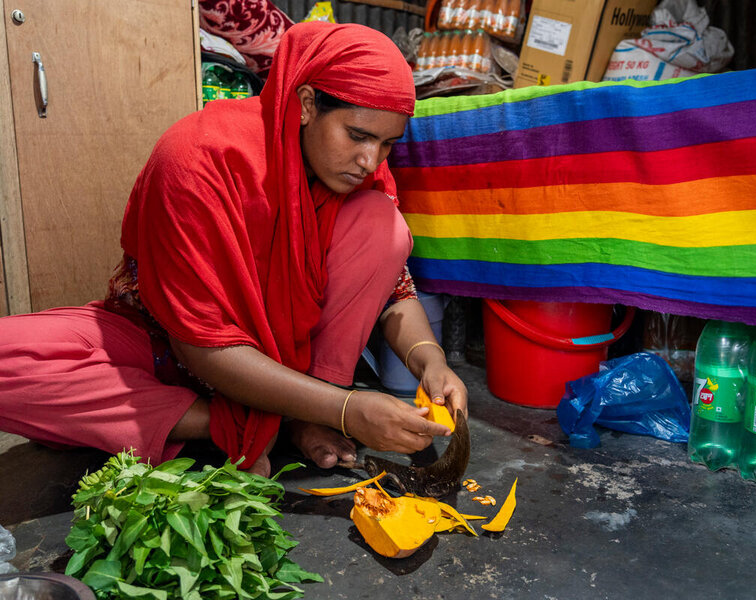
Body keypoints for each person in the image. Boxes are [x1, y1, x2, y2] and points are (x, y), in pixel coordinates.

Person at [0, 21, 468, 478]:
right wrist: (345, 409)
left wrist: (432, 361)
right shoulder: (199, 159)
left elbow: (392, 293)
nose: (370, 160)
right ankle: (240, 421)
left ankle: (300, 409)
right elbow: (197, 344)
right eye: (358, 135)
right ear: (306, 104)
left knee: (382, 224)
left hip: (286, 369)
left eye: (387, 144)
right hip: (163, 347)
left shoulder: (356, 176)